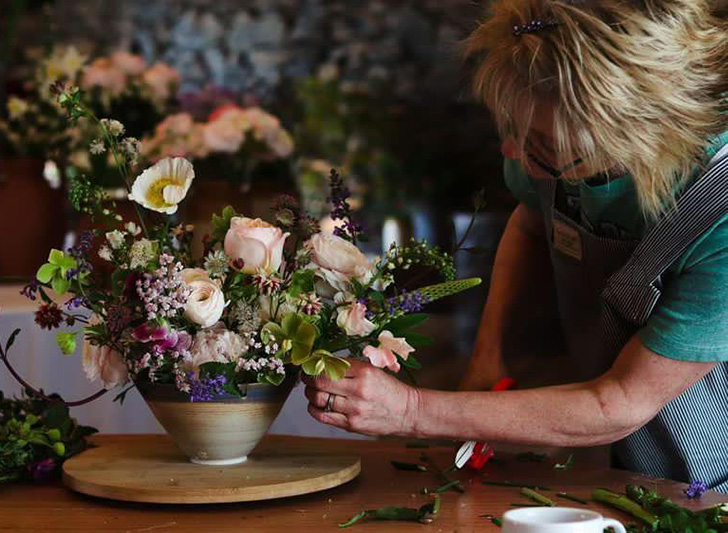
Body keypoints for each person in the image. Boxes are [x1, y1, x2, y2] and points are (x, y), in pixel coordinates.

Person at [303, 0, 728, 491]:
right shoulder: (545, 149)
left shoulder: (717, 210)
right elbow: (532, 218)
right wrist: (490, 358)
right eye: (510, 128)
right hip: (626, 458)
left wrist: (413, 411)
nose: (512, 154)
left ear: (637, 128)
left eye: (540, 142)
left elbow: (618, 403)